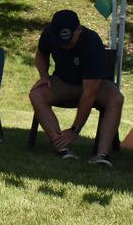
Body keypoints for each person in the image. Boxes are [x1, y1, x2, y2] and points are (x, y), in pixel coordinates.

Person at [29, 9, 123, 166]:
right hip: (63, 81)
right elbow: (41, 54)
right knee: (36, 94)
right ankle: (62, 147)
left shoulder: (92, 42)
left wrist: (74, 130)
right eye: (62, 43)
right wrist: (44, 76)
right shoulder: (49, 33)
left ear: (79, 30)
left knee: (116, 98)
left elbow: (89, 93)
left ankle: (102, 155)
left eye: (70, 42)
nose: (66, 47)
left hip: (92, 85)